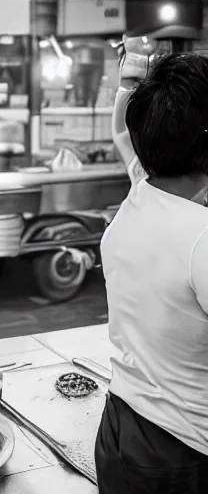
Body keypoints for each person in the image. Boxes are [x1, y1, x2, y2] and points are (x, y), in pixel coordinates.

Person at [95, 39, 208, 493]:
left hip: (121, 426)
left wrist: (130, 82)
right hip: (182, 451)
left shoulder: (142, 193)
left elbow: (123, 133)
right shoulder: (199, 234)